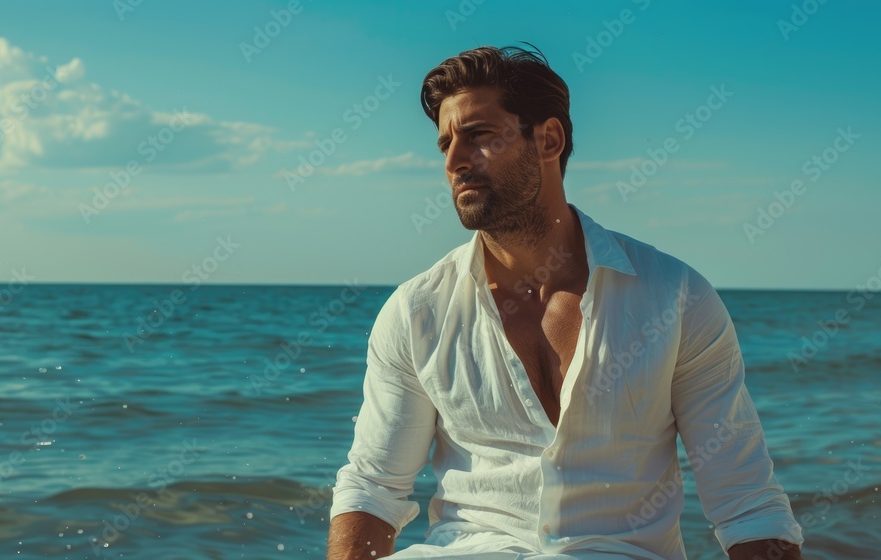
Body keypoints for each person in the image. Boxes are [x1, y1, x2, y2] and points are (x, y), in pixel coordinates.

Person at [326, 45, 804, 560]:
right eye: (444, 144)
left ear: (548, 139)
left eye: (479, 136)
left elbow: (746, 503)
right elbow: (373, 489)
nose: (454, 161)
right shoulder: (416, 312)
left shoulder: (675, 299)